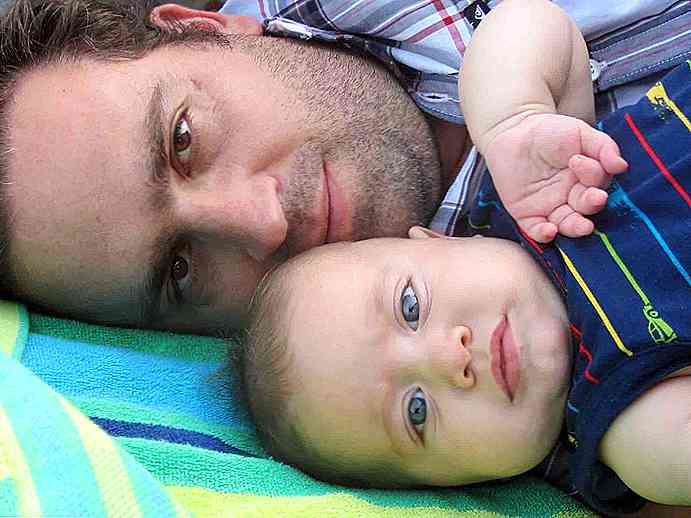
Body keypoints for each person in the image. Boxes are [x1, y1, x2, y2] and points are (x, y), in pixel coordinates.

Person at [238, 4, 691, 515]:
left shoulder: (536, 192)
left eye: (410, 307)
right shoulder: (629, 424)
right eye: (416, 411)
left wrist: (513, 119)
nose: (450, 358)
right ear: (451, 485)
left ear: (435, 241)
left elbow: (530, 24)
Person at [0, 0, 687, 334]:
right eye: (179, 270)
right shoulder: (511, 356)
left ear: (204, 28)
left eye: (183, 139)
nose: (262, 223)